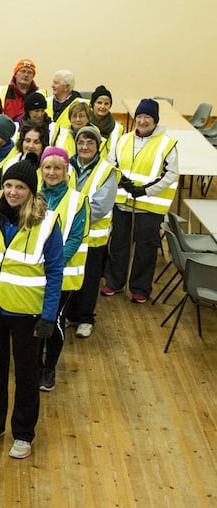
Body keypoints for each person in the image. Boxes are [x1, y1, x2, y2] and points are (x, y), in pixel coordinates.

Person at [0, 153, 64, 459]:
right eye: (8, 185)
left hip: (28, 314)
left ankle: (23, 433)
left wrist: (48, 316)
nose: (12, 192)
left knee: (26, 376)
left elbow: (55, 271)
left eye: (20, 186)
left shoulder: (47, 224)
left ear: (31, 191)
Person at [102, 98, 179, 303]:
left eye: (148, 117)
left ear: (155, 120)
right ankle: (114, 282)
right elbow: (111, 165)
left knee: (145, 249)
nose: (143, 121)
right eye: (140, 116)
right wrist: (124, 182)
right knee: (118, 243)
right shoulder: (123, 139)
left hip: (150, 207)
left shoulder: (167, 144)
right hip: (123, 202)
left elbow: (170, 174)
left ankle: (140, 288)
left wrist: (146, 190)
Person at [36, 147, 88, 392]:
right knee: (35, 320)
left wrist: (52, 264)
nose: (52, 172)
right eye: (47, 167)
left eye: (58, 168)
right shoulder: (33, 196)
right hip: (33, 275)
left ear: (67, 171)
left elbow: (75, 238)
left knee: (55, 321)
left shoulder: (78, 200)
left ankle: (49, 368)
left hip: (62, 275)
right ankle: (34, 364)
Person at [65, 126, 118, 338]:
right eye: (81, 143)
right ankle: (70, 314)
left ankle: (86, 318)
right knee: (70, 275)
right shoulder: (66, 165)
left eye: (90, 143)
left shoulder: (107, 171)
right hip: (68, 236)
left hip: (92, 238)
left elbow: (101, 206)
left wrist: (72, 221)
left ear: (97, 146)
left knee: (89, 279)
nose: (84, 147)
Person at [88, 85, 123, 157]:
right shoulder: (85, 123)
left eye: (106, 104)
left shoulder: (117, 128)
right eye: (99, 103)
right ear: (92, 104)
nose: (103, 107)